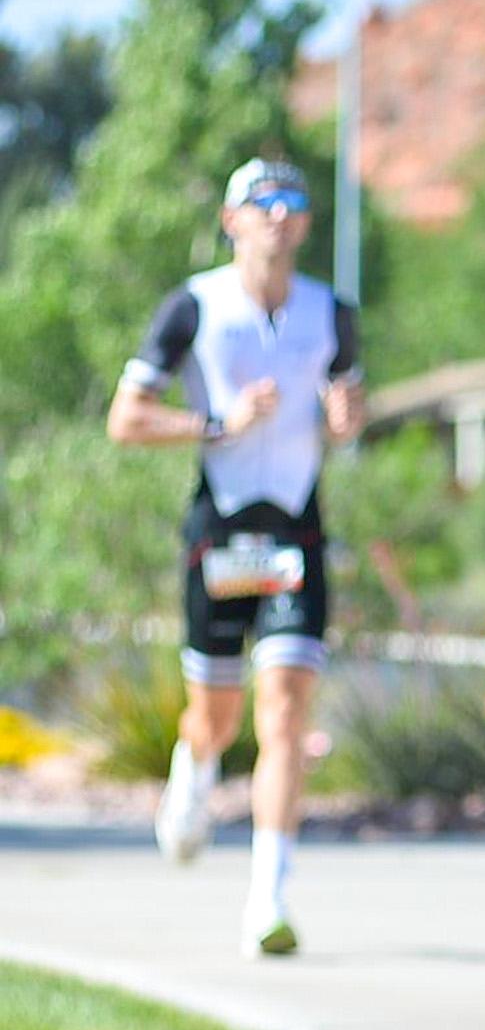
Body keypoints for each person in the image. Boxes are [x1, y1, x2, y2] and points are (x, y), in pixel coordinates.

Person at [108, 157, 363, 958]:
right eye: (263, 204)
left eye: (293, 203)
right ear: (232, 221)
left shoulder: (333, 311)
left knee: (285, 708)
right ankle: (194, 768)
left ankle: (268, 901)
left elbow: (349, 406)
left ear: (308, 223)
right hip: (219, 531)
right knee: (216, 717)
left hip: (295, 531)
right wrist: (217, 423)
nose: (280, 216)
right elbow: (126, 420)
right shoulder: (195, 306)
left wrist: (347, 415)